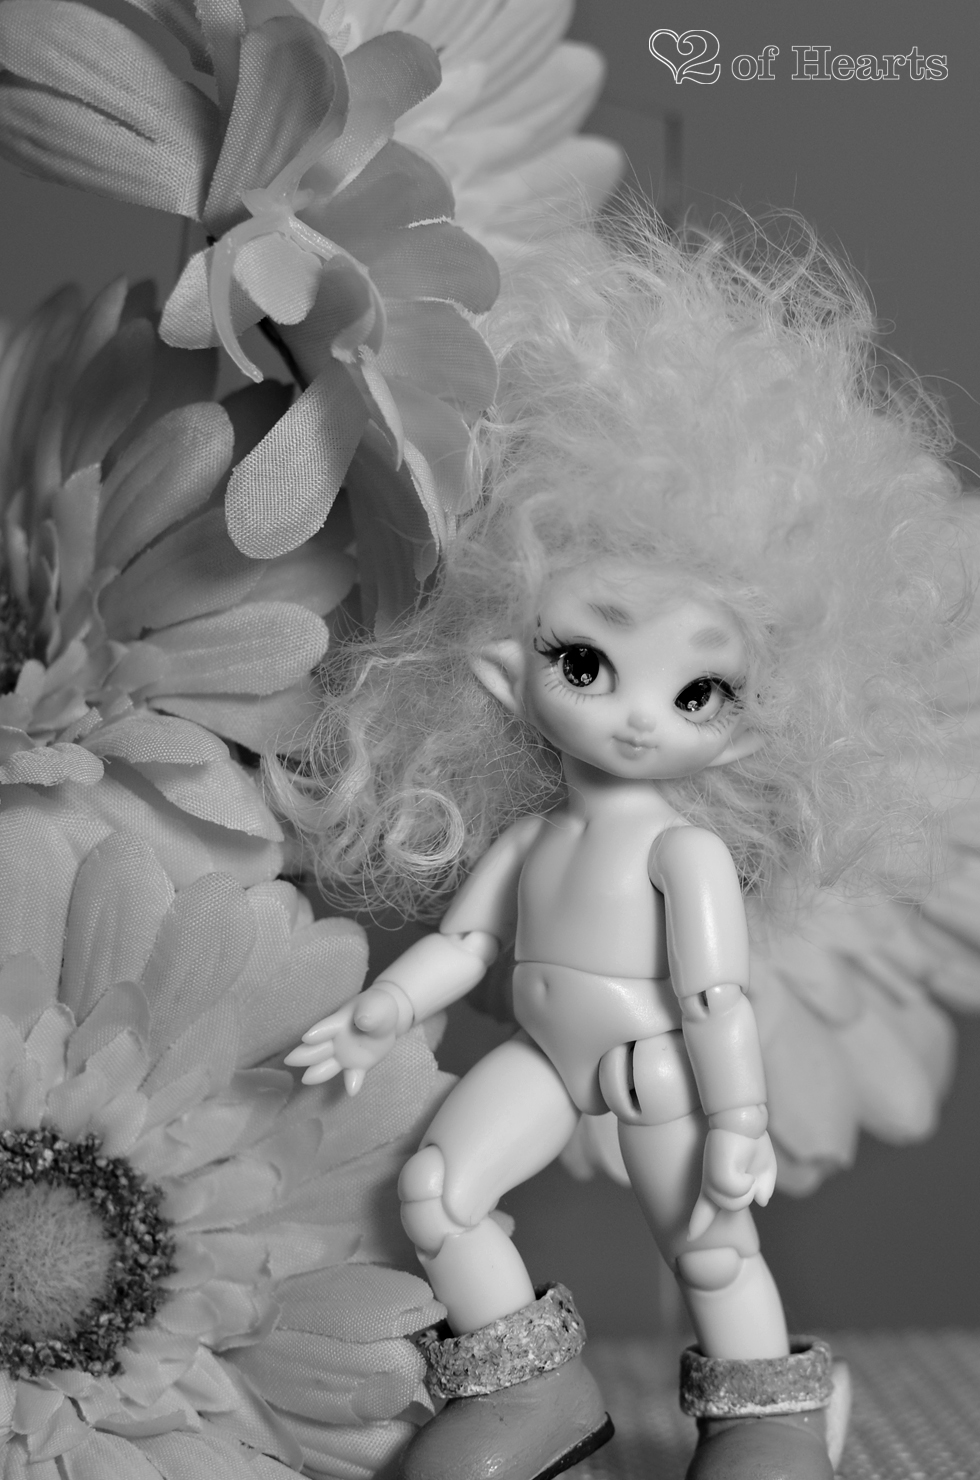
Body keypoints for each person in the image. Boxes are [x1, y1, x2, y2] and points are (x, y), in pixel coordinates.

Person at [281, 217, 969, 1480]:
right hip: (547, 1057)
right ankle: (532, 1393)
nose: (639, 716)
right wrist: (380, 1012)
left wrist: (739, 1117)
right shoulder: (534, 836)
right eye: (587, 664)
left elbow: (712, 995)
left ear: (760, 722)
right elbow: (467, 945)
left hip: (658, 1071)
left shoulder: (683, 857)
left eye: (696, 690)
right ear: (501, 664)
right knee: (437, 1190)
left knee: (710, 1247)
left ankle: (768, 1421)